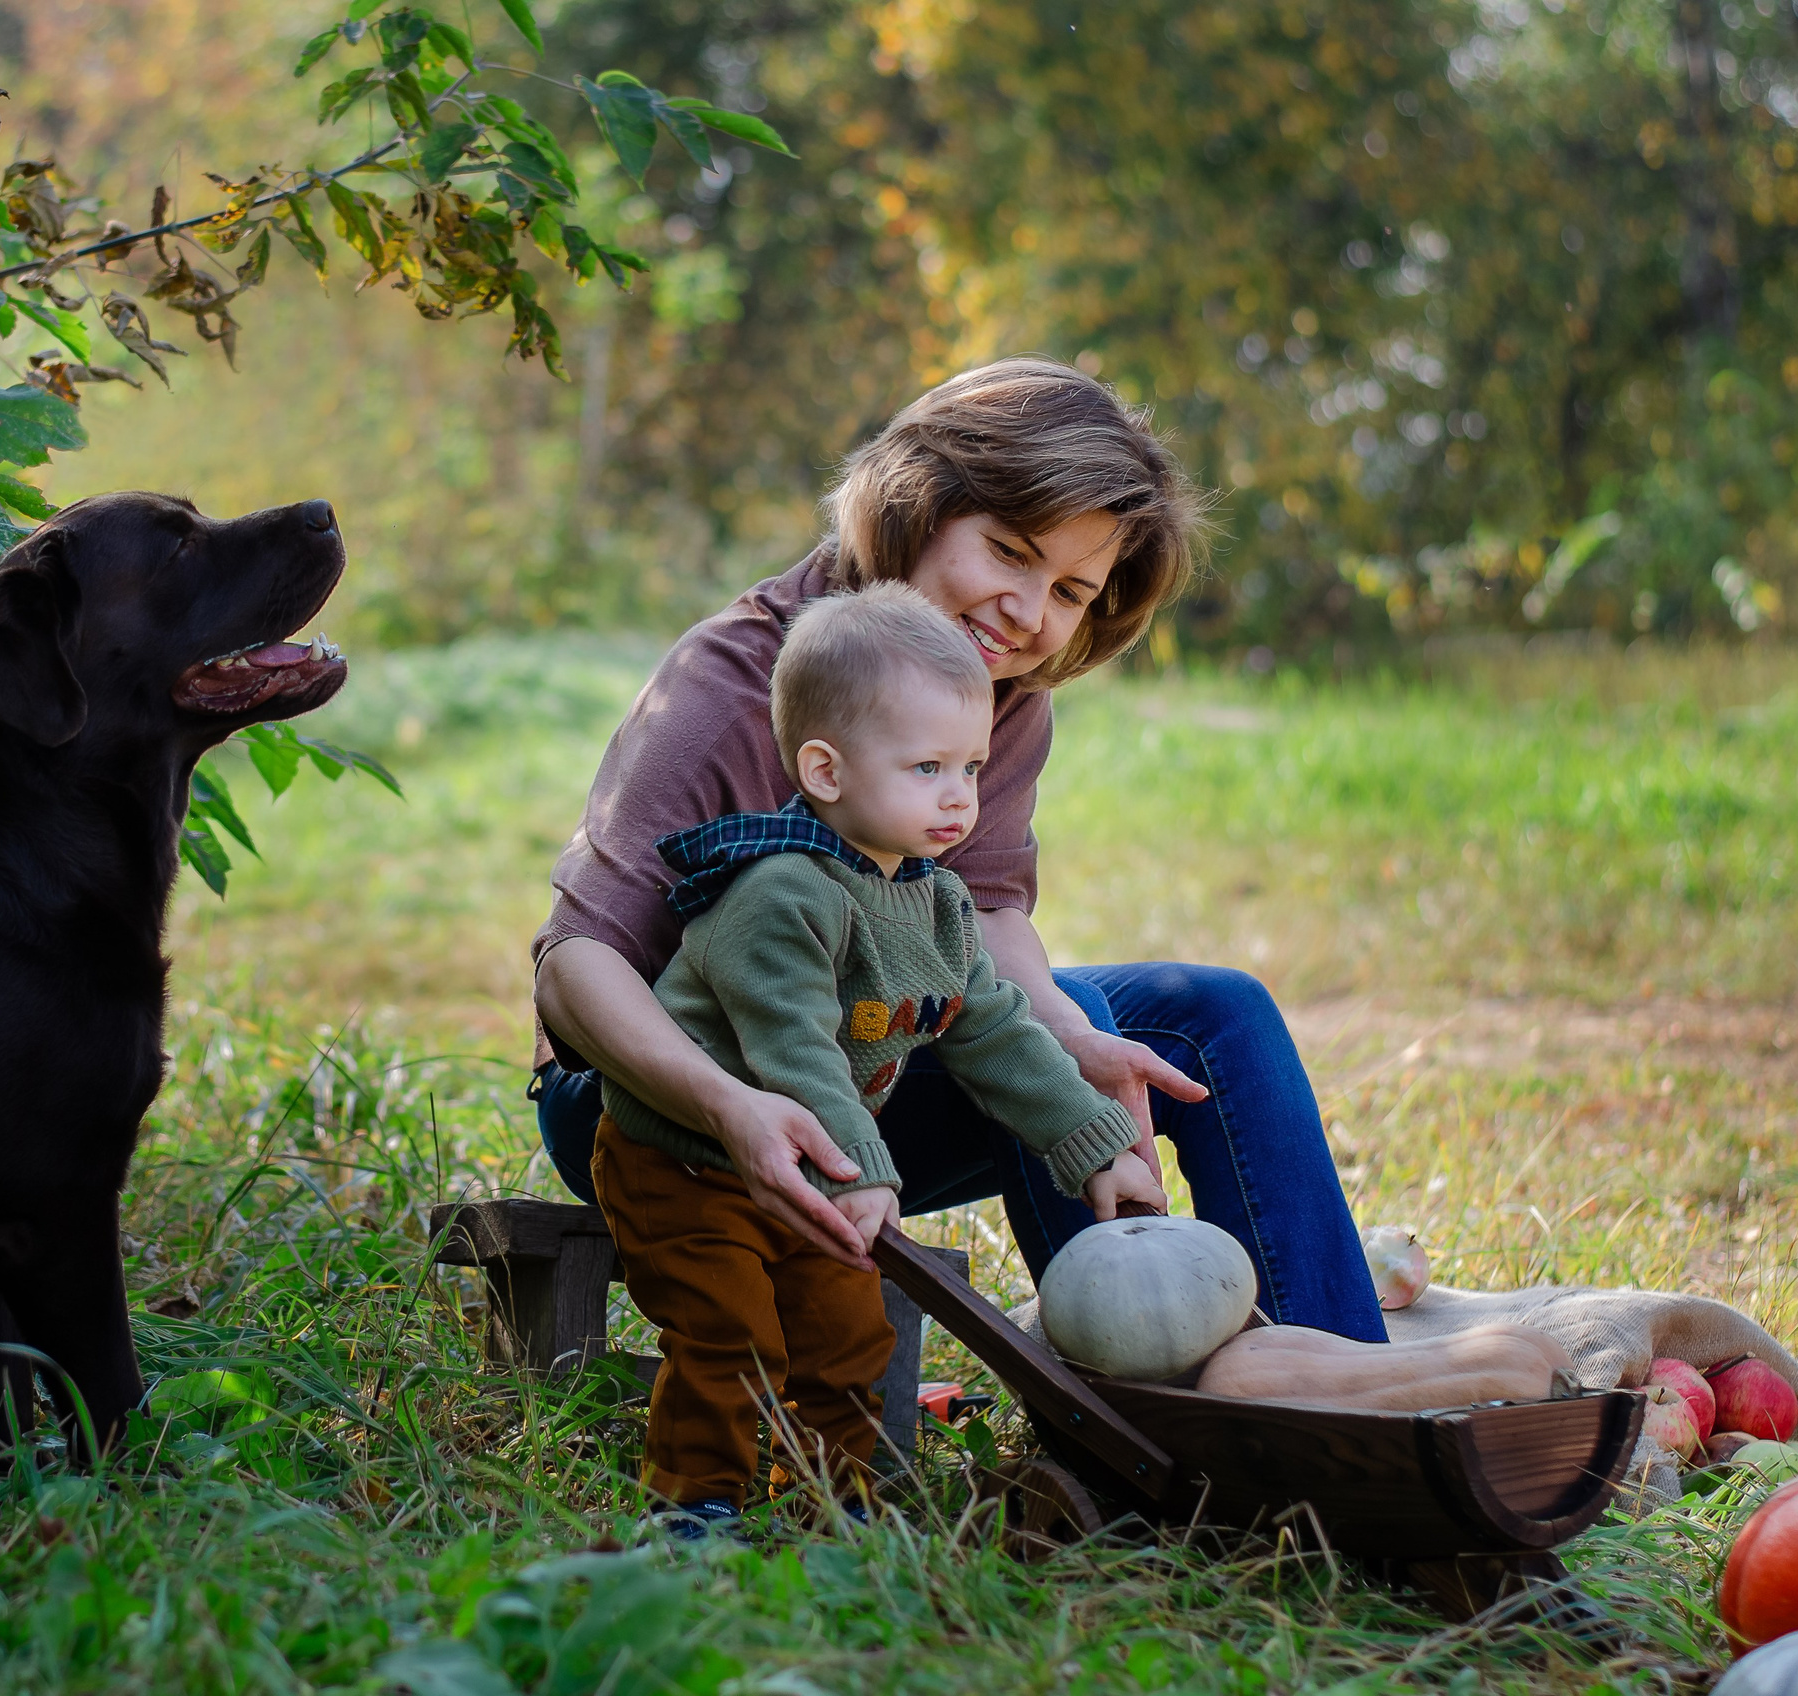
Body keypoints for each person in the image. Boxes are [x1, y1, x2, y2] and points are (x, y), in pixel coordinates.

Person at [531, 356, 1388, 1342]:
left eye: (1070, 589)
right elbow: (573, 970)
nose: (1029, 614)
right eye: (1009, 551)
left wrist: (1071, 1038)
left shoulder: (998, 696)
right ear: (915, 507)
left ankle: (1331, 1374)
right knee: (1078, 1012)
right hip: (652, 1100)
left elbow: (981, 914)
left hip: (862, 1058)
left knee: (1208, 1016)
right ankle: (1117, 1414)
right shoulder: (732, 683)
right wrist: (728, 1106)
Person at [595, 583, 1166, 1531]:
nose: (958, 796)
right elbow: (796, 1054)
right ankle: (693, 1509)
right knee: (732, 1333)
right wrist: (865, 1171)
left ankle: (829, 1506)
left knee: (846, 1333)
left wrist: (1095, 1142)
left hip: (814, 1165)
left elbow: (993, 1028)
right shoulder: (781, 893)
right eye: (927, 766)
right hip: (687, 1157)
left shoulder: (936, 903)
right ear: (825, 769)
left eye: (972, 768)